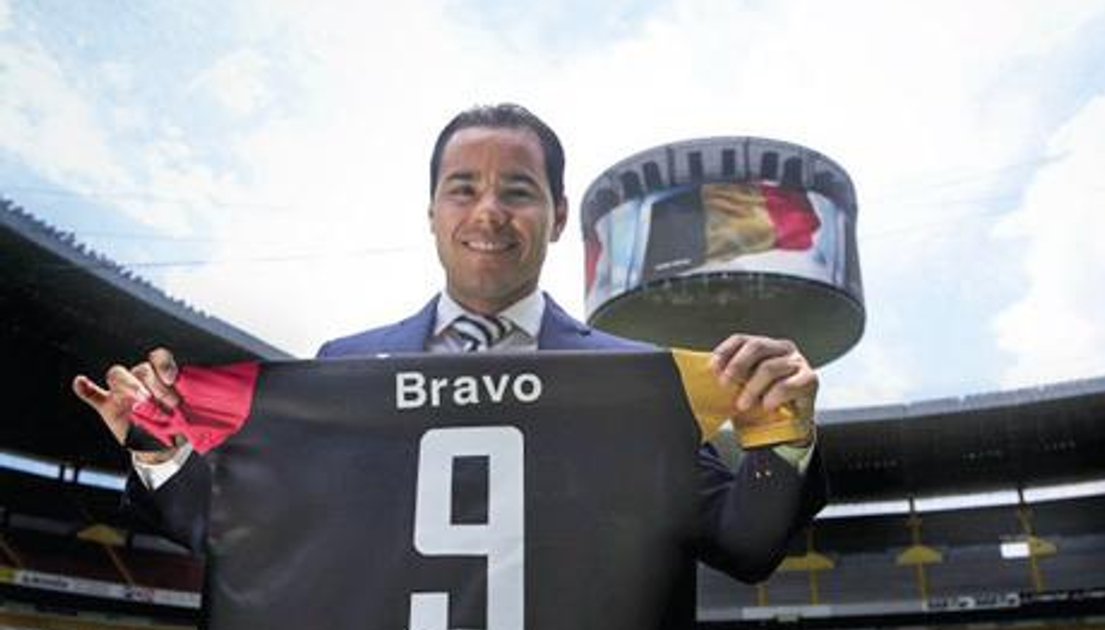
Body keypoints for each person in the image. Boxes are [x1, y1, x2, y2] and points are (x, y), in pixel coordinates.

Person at [72, 103, 826, 629]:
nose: (488, 211)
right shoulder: (346, 369)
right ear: (431, 210)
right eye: (462, 188)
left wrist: (778, 435)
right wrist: (157, 445)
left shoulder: (637, 386)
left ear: (559, 216)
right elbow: (257, 538)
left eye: (518, 191)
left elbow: (745, 546)